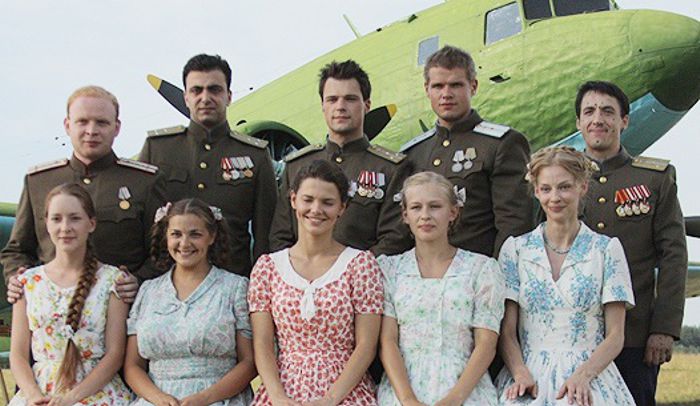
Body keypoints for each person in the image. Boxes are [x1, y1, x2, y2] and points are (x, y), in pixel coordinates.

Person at [575, 81, 687, 406]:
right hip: (571, 335)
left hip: (634, 338)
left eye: (608, 112)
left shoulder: (654, 179)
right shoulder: (560, 180)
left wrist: (664, 328)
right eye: (589, 112)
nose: (598, 119)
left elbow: (674, 256)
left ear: (624, 120)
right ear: (579, 122)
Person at [495, 146, 635, 406]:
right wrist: (519, 372)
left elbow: (616, 335)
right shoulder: (515, 250)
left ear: (582, 187)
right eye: (546, 189)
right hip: (528, 375)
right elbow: (507, 331)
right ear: (536, 191)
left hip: (590, 376)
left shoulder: (606, 249)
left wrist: (583, 376)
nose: (555, 197)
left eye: (564, 187)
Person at [1, 86, 166, 304]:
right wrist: (17, 277)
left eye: (102, 122)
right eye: (82, 122)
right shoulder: (39, 182)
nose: (91, 131)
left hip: (121, 308)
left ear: (116, 128)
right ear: (67, 125)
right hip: (53, 309)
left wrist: (139, 281)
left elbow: (162, 253)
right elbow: (17, 250)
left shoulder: (144, 182)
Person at [249, 159, 383, 405]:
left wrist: (329, 400)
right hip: (283, 390)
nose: (316, 209)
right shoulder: (268, 267)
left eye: (327, 202)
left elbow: (366, 345)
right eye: (308, 200)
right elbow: (263, 343)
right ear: (293, 200)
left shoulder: (360, 265)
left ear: (342, 208)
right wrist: (278, 397)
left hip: (344, 390)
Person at [139, 53, 277, 277]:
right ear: (185, 98)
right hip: (166, 281)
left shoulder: (255, 155)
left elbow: (266, 236)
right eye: (196, 90)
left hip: (232, 279)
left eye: (214, 90)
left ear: (229, 96)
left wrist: (261, 285)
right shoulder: (157, 149)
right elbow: (140, 223)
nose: (205, 98)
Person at [377, 172, 504, 405]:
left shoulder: (481, 268)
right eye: (416, 207)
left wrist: (455, 399)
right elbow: (388, 341)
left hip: (465, 388)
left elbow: (486, 344)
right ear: (405, 215)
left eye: (435, 206)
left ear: (453, 212)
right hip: (403, 387)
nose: (425, 215)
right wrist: (408, 399)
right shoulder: (390, 269)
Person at [400, 45, 533, 257]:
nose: (446, 94)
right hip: (421, 271)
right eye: (438, 86)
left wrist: (497, 272)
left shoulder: (501, 144)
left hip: (481, 269)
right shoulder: (414, 153)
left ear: (473, 86)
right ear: (427, 89)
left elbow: (514, 224)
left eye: (456, 85)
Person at [270, 59, 411, 257]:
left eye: (350, 99)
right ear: (323, 106)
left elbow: (395, 238)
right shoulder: (296, 166)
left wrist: (352, 270)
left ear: (367, 105)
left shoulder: (391, 169)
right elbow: (280, 236)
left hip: (366, 274)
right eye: (332, 99)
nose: (340, 107)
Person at [9, 183, 132, 405]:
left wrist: (71, 398)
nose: (65, 227)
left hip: (95, 391)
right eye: (56, 219)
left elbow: (115, 354)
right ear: (46, 224)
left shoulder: (113, 281)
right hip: (40, 391)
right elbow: (17, 354)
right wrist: (34, 396)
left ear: (91, 224)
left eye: (75, 218)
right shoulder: (28, 282)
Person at [124, 198, 256, 405]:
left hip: (219, 398)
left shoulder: (234, 288)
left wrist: (204, 398)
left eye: (195, 234)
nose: (184, 244)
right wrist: (158, 398)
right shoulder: (148, 291)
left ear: (212, 236)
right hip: (156, 400)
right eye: (176, 234)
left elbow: (248, 362)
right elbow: (133, 366)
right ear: (166, 237)